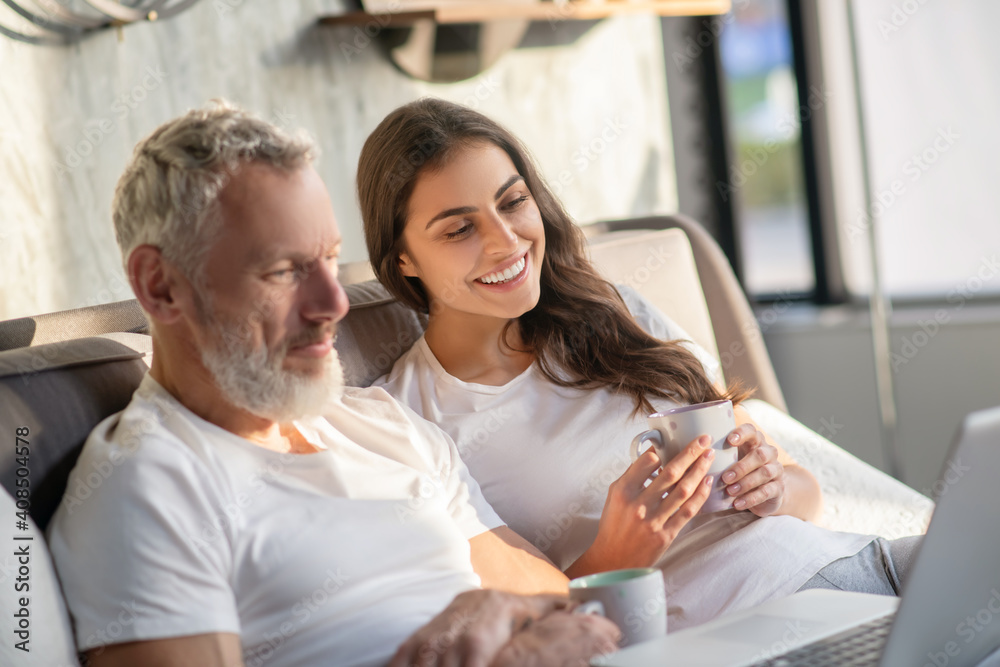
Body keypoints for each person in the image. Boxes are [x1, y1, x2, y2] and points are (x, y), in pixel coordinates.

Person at [45, 101, 620, 667]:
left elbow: (561, 607)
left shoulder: (382, 425)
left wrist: (510, 617)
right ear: (160, 286)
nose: (333, 303)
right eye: (285, 272)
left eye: (329, 260)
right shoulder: (152, 488)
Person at [357, 97, 922, 631]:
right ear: (402, 257)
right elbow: (526, 631)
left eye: (513, 202)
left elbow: (804, 492)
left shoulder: (616, 313)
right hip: (766, 630)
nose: (507, 241)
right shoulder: (407, 421)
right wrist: (618, 554)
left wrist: (774, 488)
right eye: (459, 228)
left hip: (867, 568)